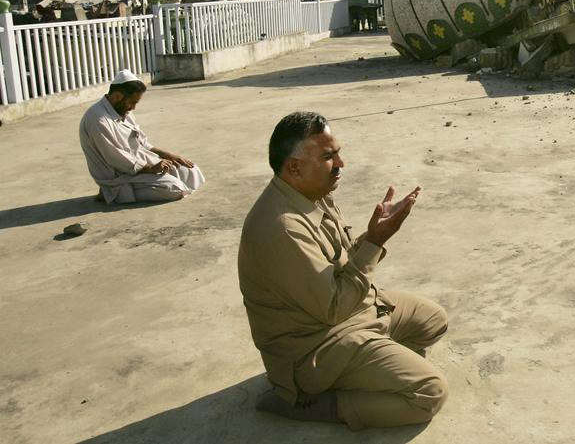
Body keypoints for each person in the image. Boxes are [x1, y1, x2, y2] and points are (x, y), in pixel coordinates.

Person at [238, 111, 448, 430]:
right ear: (294, 167)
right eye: (328, 157)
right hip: (315, 345)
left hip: (348, 314)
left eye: (338, 153)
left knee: (433, 321)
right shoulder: (281, 227)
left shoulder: (314, 194)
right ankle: (314, 402)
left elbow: (343, 262)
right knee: (428, 394)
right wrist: (375, 242)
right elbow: (333, 308)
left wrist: (371, 235)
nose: (340, 164)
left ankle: (367, 366)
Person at [78, 69, 205, 204]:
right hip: (119, 174)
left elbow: (142, 142)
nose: (133, 108)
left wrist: (168, 155)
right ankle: (111, 192)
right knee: (175, 189)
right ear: (117, 96)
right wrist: (150, 169)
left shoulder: (122, 110)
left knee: (191, 172)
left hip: (141, 162)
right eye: (132, 102)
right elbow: (116, 158)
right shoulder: (98, 120)